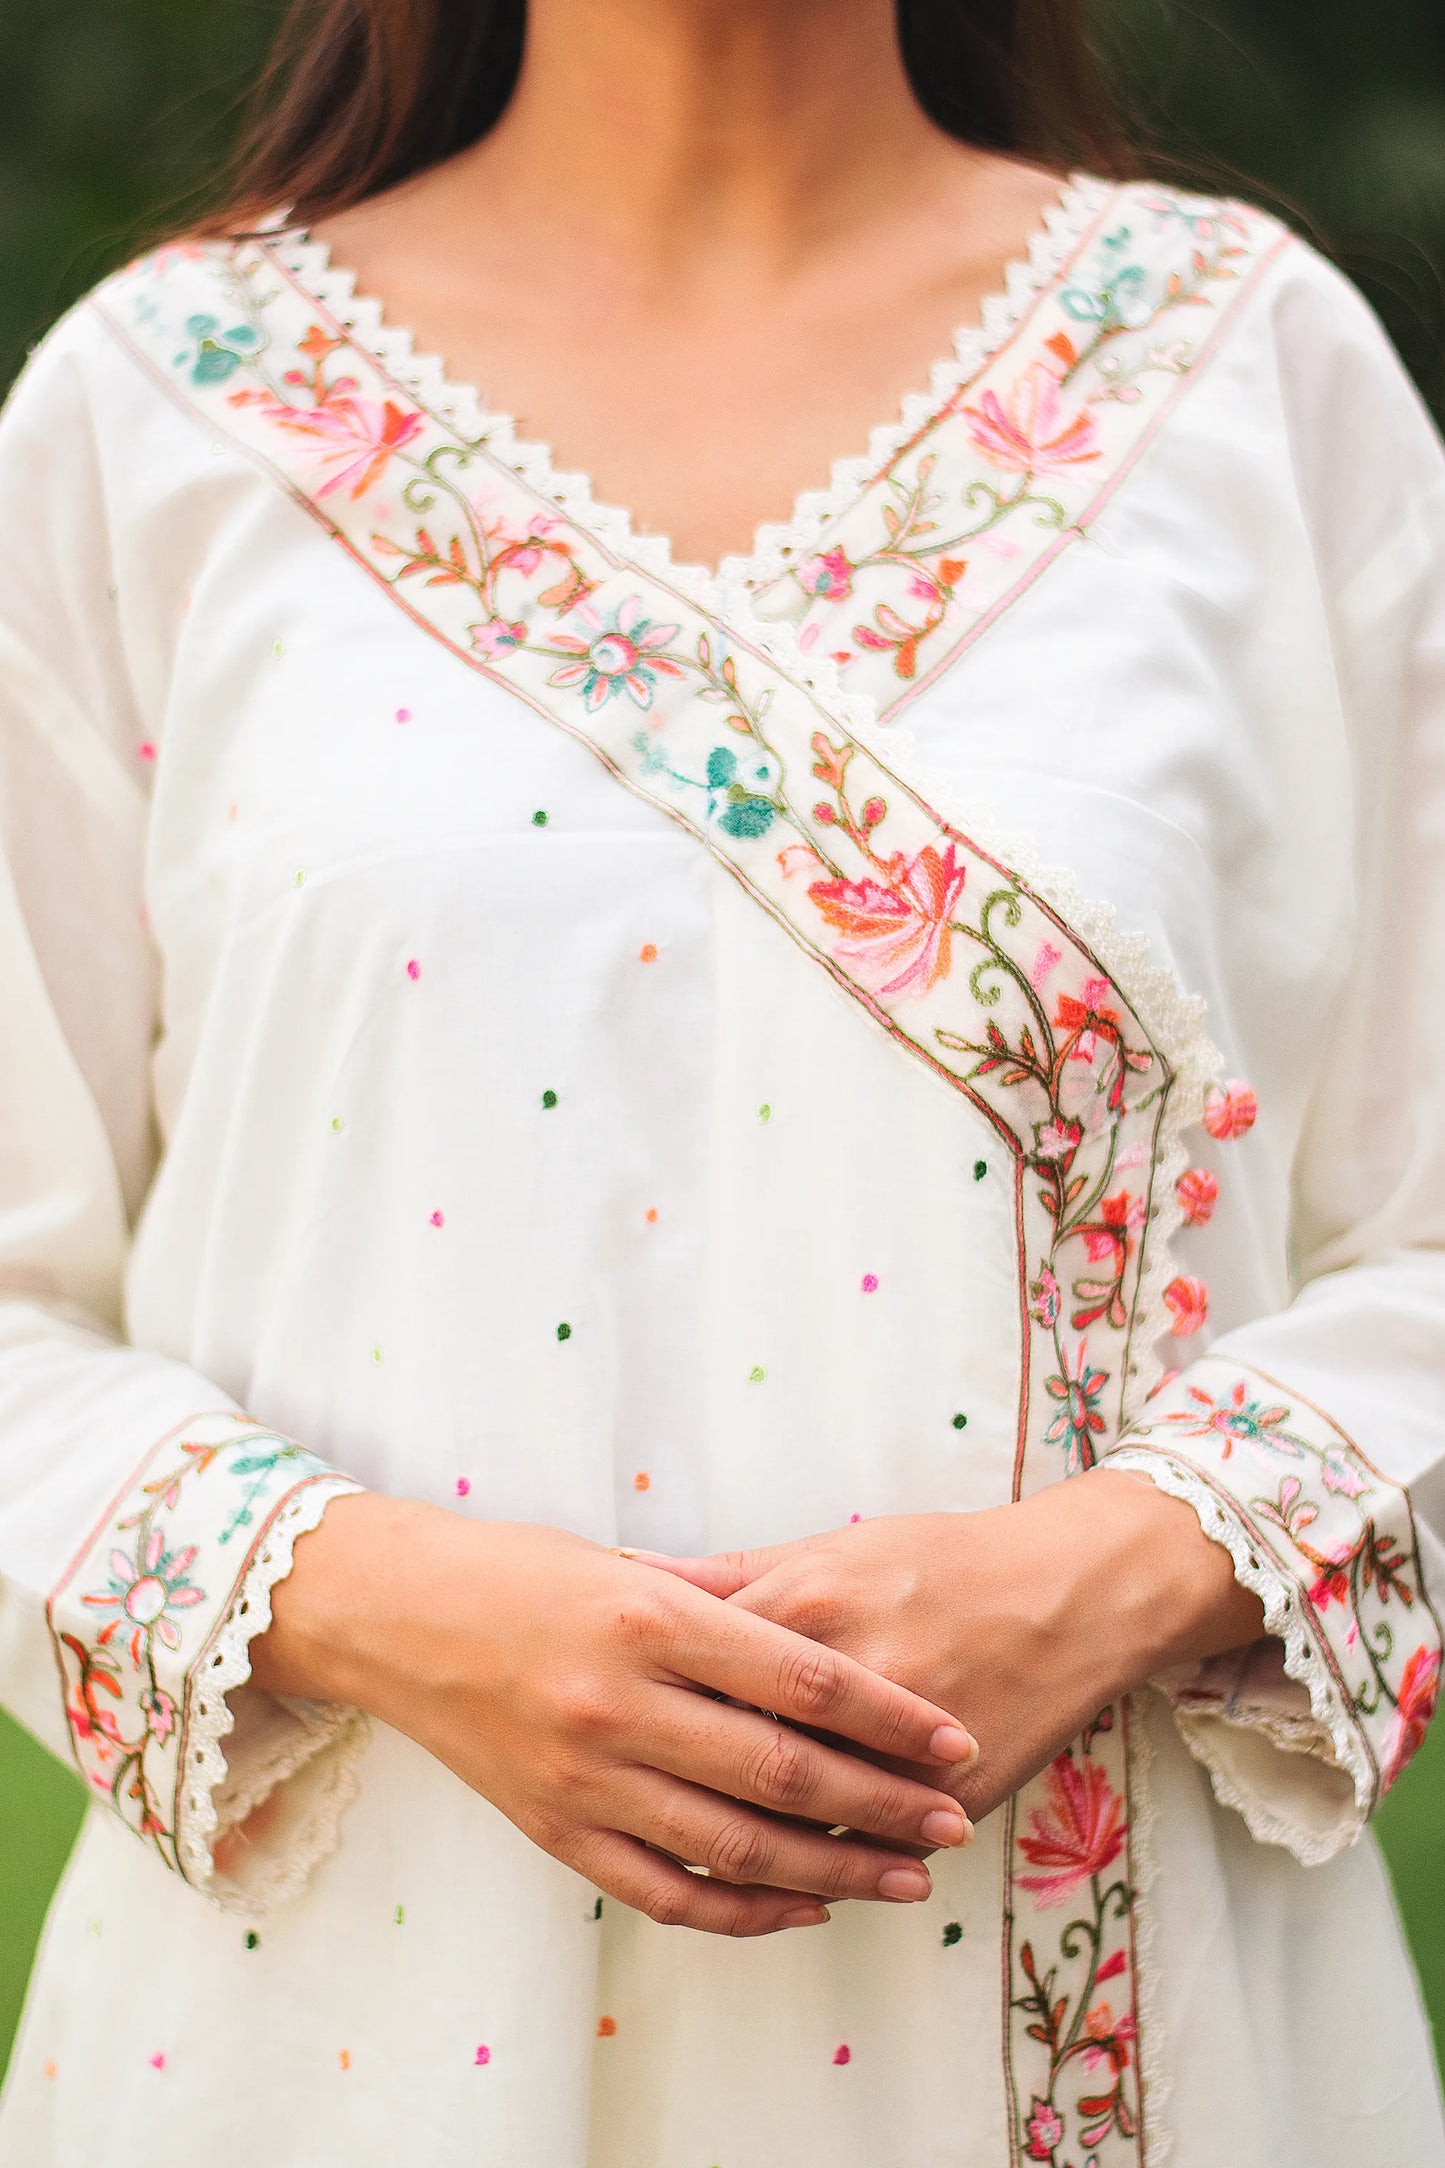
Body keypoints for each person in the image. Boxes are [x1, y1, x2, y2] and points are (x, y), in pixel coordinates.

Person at [0, 0, 1442, 2160]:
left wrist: (1137, 1560)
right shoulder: (148, 413)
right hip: (331, 2059)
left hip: (1123, 2037)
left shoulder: (1259, 381)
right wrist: (382, 1602)